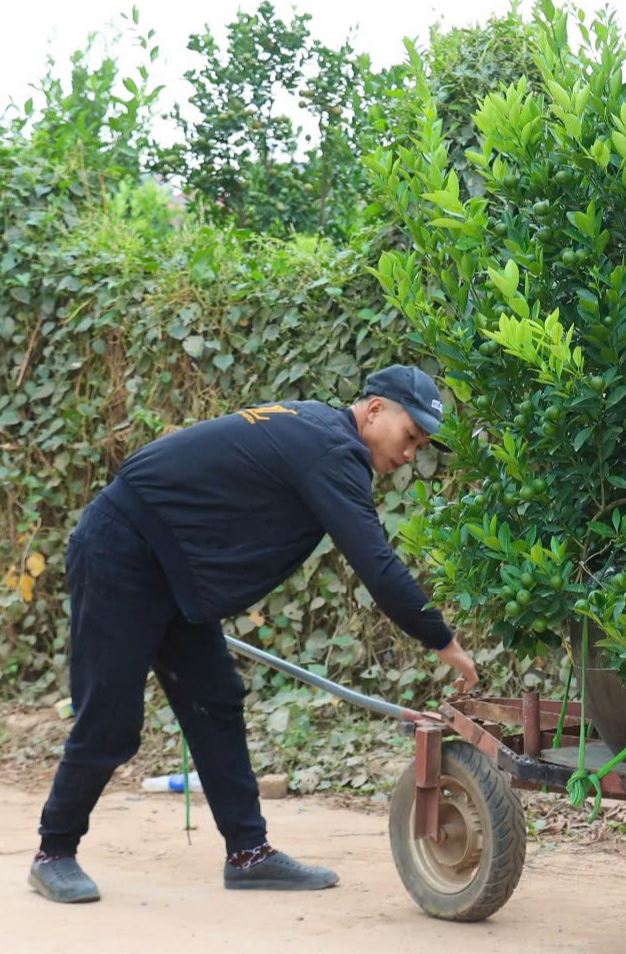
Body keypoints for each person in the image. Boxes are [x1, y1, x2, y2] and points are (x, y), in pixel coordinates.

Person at [29, 365, 480, 904]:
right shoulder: (333, 451)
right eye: (411, 437)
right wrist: (444, 642)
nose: (410, 454)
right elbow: (377, 566)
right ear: (376, 409)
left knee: (215, 700)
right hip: (122, 552)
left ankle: (248, 853)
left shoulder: (319, 428)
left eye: (421, 446)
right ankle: (53, 852)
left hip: (172, 567)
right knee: (111, 719)